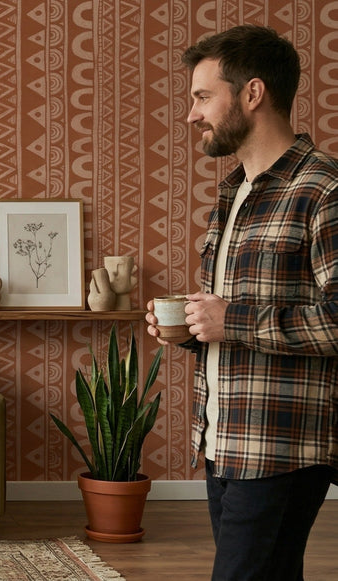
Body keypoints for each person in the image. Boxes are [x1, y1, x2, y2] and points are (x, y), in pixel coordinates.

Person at [146, 25, 338, 581]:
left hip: (281, 447)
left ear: (252, 93)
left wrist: (231, 321)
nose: (191, 115)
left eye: (203, 96)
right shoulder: (234, 194)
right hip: (223, 440)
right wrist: (193, 330)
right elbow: (236, 322)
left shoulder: (324, 189)